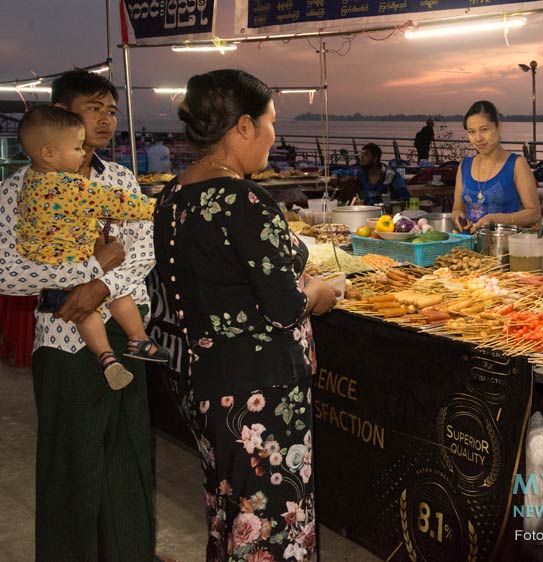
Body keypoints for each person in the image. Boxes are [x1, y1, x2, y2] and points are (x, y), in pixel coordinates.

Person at [153, 69, 338, 561]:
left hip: (205, 383)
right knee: (272, 526)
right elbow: (285, 308)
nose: (275, 136)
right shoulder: (244, 200)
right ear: (243, 127)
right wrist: (320, 289)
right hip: (260, 395)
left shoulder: (172, 196)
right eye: (271, 122)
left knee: (232, 514)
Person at [0, 69, 156, 561]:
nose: (107, 119)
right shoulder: (19, 188)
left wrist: (101, 284)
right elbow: (7, 272)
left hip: (125, 331)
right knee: (72, 464)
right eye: (94, 108)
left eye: (112, 110)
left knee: (128, 458)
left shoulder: (119, 179)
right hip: (62, 337)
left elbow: (143, 249)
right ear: (64, 115)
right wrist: (92, 268)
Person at [16, 105, 168, 390]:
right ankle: (139, 339)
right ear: (49, 153)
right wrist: (158, 208)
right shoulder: (68, 186)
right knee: (117, 291)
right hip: (78, 256)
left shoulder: (27, 183)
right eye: (75, 148)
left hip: (49, 263)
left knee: (88, 312)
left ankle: (107, 358)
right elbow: (118, 203)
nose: (82, 153)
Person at [451, 100, 540, 233]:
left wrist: (496, 219)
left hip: (503, 247)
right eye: (471, 132)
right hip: (466, 250)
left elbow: (534, 213)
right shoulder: (464, 166)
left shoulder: (516, 164)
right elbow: (457, 209)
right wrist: (458, 217)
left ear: (499, 126)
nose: (478, 138)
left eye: (484, 130)